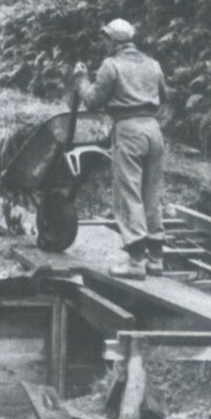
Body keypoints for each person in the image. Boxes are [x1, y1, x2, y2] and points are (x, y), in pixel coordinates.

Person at [74, 18, 167, 275]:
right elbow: (164, 98)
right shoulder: (153, 64)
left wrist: (81, 79)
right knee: (152, 193)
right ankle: (156, 258)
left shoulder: (111, 65)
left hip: (128, 129)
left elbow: (92, 100)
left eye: (106, 39)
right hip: (153, 130)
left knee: (129, 193)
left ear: (113, 41)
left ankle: (136, 261)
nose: (104, 44)